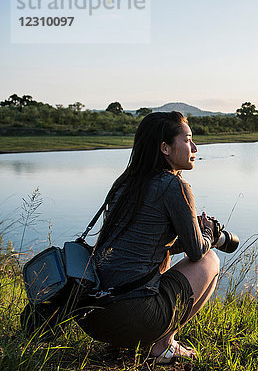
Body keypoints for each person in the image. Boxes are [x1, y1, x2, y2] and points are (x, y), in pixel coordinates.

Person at [78, 111, 220, 364]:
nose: (194, 147)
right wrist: (208, 232)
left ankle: (147, 340)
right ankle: (163, 346)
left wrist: (186, 235)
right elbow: (197, 252)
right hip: (134, 318)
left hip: (94, 320)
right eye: (187, 140)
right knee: (210, 260)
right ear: (165, 148)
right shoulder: (174, 185)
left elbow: (144, 243)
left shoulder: (125, 183)